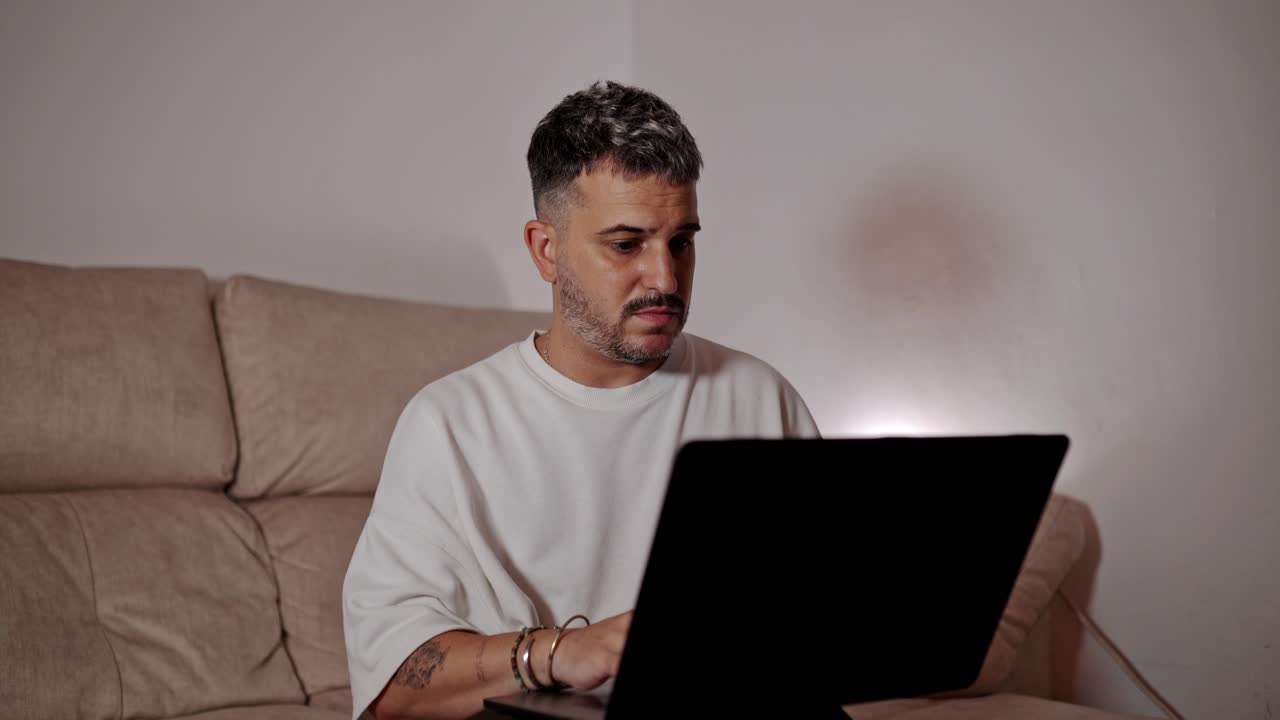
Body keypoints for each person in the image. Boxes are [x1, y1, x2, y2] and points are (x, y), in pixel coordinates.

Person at [342, 80, 820, 720]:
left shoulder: (760, 397)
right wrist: (556, 653)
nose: (665, 278)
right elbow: (391, 692)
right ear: (547, 250)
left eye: (681, 241)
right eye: (627, 245)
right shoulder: (451, 424)